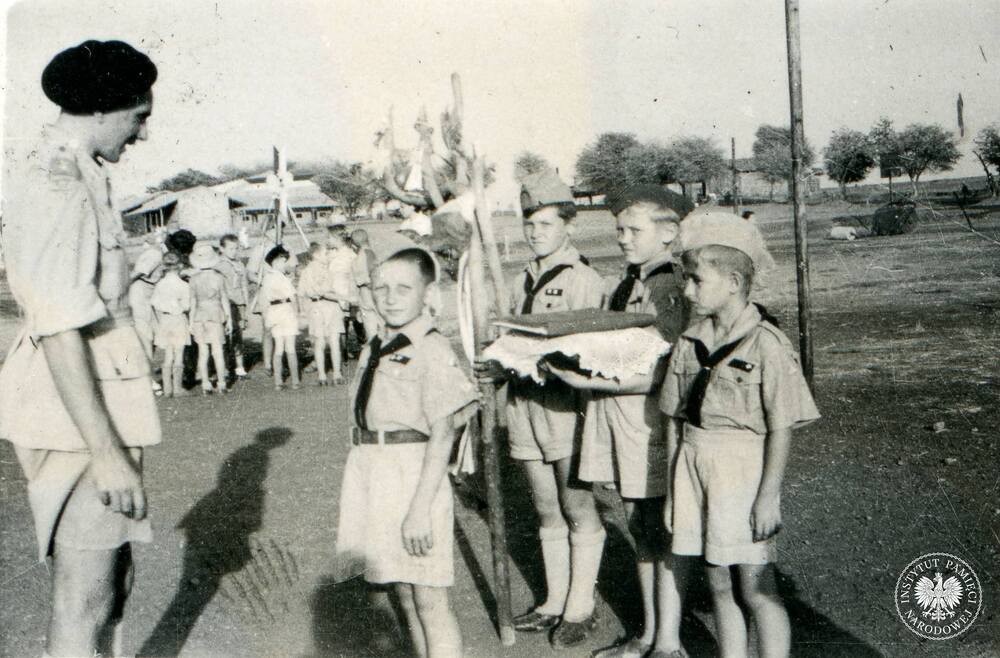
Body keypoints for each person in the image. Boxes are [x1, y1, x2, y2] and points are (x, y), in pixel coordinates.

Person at [0, 39, 161, 657]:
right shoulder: (59, 181)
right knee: (85, 598)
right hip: (78, 413)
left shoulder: (81, 171)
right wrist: (107, 453)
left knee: (110, 588)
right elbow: (61, 325)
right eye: (138, 116)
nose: (140, 132)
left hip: (94, 400)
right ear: (104, 108)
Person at [659, 212, 820, 658]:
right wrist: (675, 490)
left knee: (755, 586)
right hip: (694, 465)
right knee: (716, 582)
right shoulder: (689, 341)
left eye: (695, 280)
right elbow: (676, 420)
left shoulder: (766, 344)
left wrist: (768, 496)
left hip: (742, 472)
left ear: (732, 281)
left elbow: (781, 426)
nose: (686, 291)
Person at [544, 186, 694, 658]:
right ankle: (650, 634)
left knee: (658, 528)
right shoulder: (630, 280)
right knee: (641, 527)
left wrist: (591, 382)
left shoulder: (667, 285)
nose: (623, 238)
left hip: (645, 421)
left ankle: (668, 642)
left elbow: (663, 369)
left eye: (634, 230)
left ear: (669, 233)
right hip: (620, 419)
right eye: (619, 230)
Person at [475, 168, 606, 648]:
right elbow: (508, 338)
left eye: (546, 225)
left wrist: (534, 358)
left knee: (577, 505)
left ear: (569, 226)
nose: (536, 234)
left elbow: (588, 349)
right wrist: (495, 360)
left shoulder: (583, 279)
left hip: (565, 405)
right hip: (525, 406)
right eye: (530, 226)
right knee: (545, 506)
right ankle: (553, 601)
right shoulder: (519, 279)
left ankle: (581, 607)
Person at [336, 248, 478, 658]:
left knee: (429, 598)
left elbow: (443, 434)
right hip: (372, 472)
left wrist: (419, 509)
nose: (391, 297)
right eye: (381, 288)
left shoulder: (431, 348)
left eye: (404, 288)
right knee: (402, 590)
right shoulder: (375, 345)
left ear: (427, 294)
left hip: (414, 475)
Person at [297, 242, 344, 385]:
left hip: (329, 306)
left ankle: (331, 374)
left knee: (331, 340)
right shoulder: (309, 271)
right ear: (316, 255)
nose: (328, 255)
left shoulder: (328, 269)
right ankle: (327, 374)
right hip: (319, 305)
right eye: (326, 253)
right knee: (323, 341)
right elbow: (302, 293)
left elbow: (301, 293)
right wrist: (303, 311)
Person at [188, 242, 232, 395]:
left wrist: (190, 322)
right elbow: (224, 299)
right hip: (215, 315)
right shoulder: (219, 278)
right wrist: (229, 318)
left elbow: (192, 302)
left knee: (203, 352)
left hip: (199, 317)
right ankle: (221, 382)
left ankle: (206, 383)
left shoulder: (193, 279)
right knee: (218, 351)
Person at [151, 252, 192, 398]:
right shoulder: (183, 285)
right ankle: (177, 388)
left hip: (165, 320)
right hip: (179, 319)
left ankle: (167, 388)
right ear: (180, 265)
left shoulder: (160, 284)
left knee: (168, 354)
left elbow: (154, 303)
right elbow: (187, 306)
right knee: (179, 353)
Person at [260, 245, 301, 390]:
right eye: (284, 261)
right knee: (290, 347)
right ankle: (295, 381)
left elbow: (264, 299)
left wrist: (267, 318)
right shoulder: (283, 279)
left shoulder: (267, 278)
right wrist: (297, 314)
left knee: (278, 347)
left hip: (273, 312)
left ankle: (278, 382)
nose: (286, 265)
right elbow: (293, 297)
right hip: (286, 311)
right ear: (276, 262)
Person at [128, 248, 164, 396]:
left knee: (155, 335)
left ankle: (147, 373)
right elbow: (136, 274)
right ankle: (148, 380)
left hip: (152, 294)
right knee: (145, 336)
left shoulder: (163, 255)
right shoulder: (156, 254)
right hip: (140, 293)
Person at [216, 233, 250, 379]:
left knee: (238, 336)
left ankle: (239, 366)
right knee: (224, 336)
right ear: (222, 249)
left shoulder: (240, 264)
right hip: (226, 304)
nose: (234, 252)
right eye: (230, 249)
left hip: (239, 303)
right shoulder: (218, 265)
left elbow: (244, 286)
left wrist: (246, 305)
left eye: (236, 249)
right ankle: (224, 367)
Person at [350, 228, 381, 342]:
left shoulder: (356, 259)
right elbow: (374, 273)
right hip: (372, 291)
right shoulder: (369, 253)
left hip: (362, 294)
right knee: (382, 325)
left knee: (370, 329)